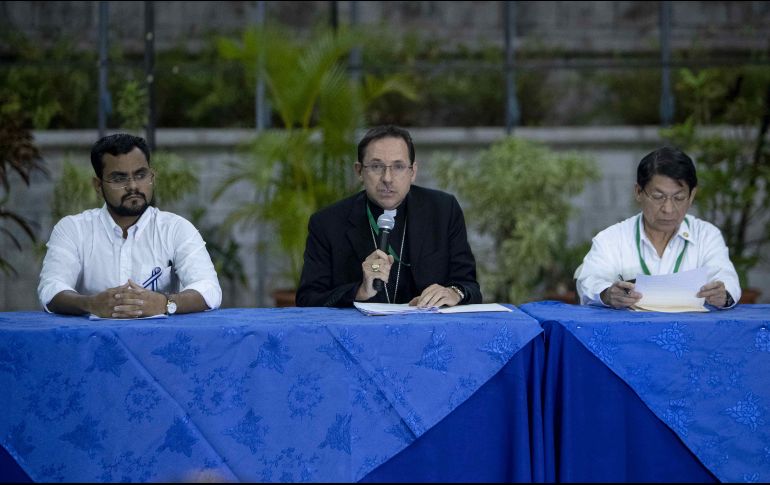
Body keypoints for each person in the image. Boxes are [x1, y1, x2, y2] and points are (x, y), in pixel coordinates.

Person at [38, 133, 222, 318]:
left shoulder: (176, 229)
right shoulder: (73, 229)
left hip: (160, 342)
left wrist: (165, 303)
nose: (133, 186)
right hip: (91, 342)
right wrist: (90, 304)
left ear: (152, 176)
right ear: (98, 185)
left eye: (141, 175)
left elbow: (209, 289)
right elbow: (51, 290)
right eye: (119, 179)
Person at [296, 125, 481, 308]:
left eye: (398, 166)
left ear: (413, 172)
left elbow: (469, 285)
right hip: (361, 334)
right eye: (376, 166)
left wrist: (453, 293)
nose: (387, 178)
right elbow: (307, 299)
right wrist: (359, 292)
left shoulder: (443, 210)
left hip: (427, 331)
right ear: (359, 171)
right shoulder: (327, 223)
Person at [576, 146, 740, 309]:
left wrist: (723, 295)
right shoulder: (611, 239)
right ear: (638, 192)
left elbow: (727, 279)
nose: (668, 208)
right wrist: (607, 294)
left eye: (679, 197)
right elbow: (590, 281)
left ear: (691, 196)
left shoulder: (706, 236)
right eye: (658, 197)